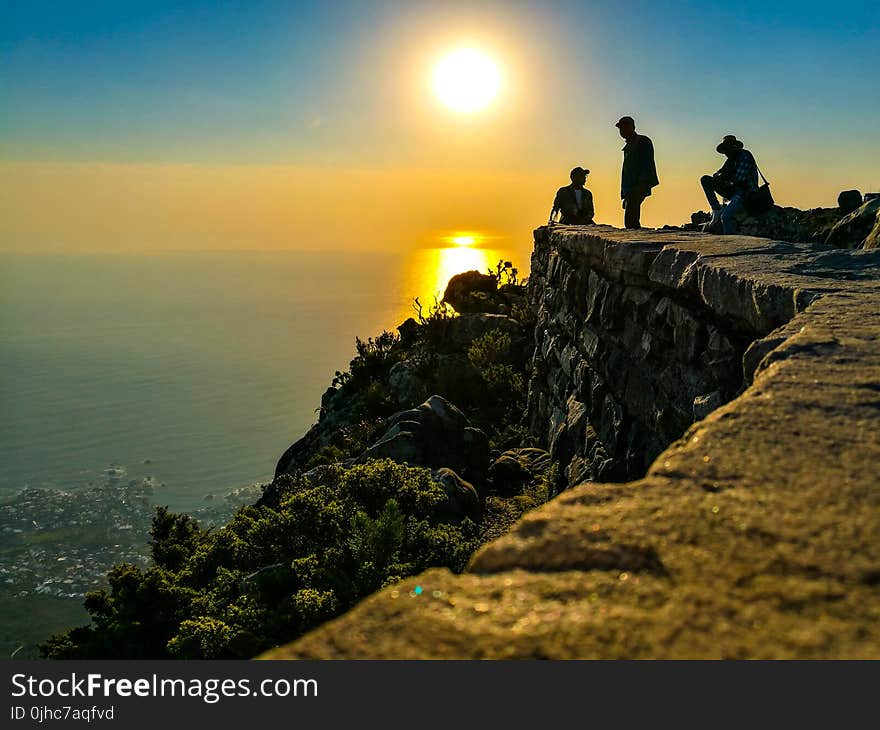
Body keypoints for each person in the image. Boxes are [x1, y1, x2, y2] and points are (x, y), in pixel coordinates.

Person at [700, 135, 759, 234]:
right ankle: (716, 209)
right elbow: (717, 173)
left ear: (733, 147)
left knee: (725, 217)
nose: (725, 153)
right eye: (724, 151)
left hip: (745, 192)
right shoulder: (730, 160)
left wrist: (725, 179)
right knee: (706, 180)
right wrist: (720, 176)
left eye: (726, 150)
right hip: (733, 190)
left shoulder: (744, 155)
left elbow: (740, 178)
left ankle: (729, 239)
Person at [616, 116, 659, 229]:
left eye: (625, 127)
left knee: (631, 218)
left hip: (639, 184)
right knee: (631, 217)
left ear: (632, 127)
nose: (622, 130)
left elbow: (647, 163)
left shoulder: (642, 141)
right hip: (630, 187)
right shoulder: (628, 146)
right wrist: (625, 193)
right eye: (620, 128)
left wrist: (642, 183)